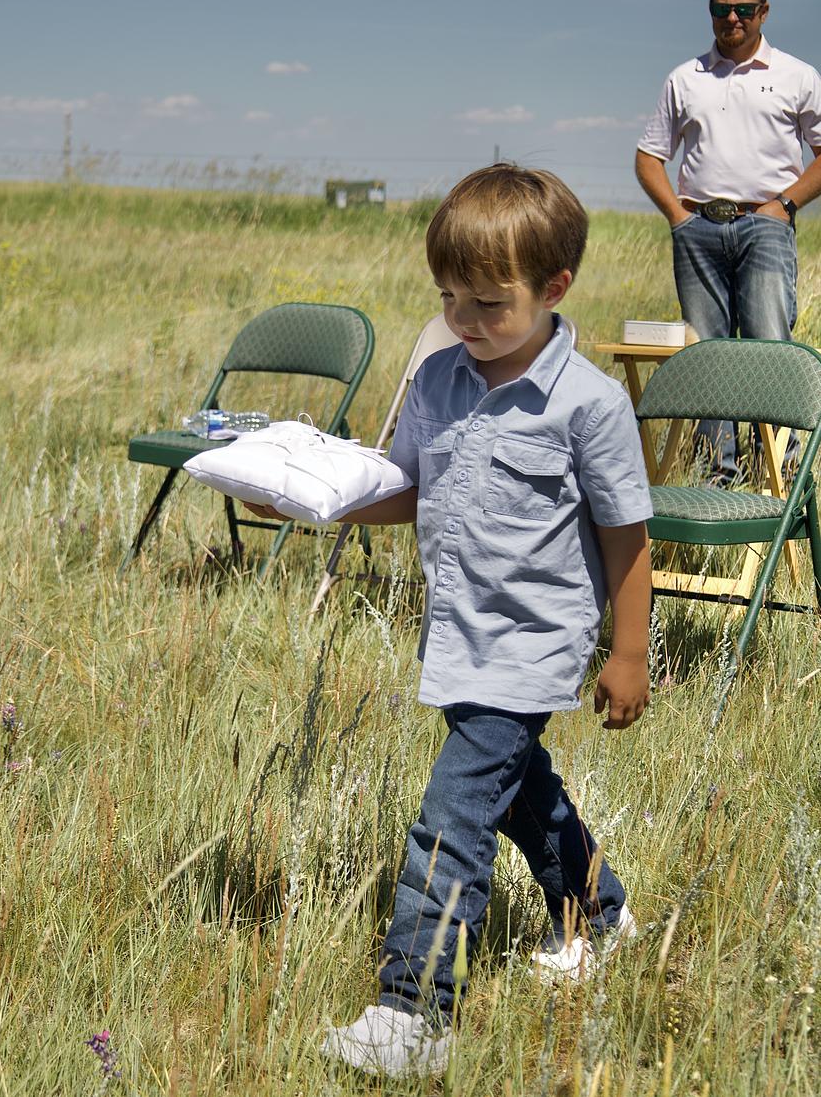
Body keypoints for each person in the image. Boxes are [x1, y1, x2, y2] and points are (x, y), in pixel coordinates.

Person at [246, 165, 653, 1079]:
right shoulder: (437, 377)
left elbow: (628, 539)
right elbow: (408, 488)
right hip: (458, 633)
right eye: (447, 298)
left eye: (489, 304)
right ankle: (601, 911)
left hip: (533, 644)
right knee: (518, 793)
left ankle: (415, 1012)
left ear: (555, 288)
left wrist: (629, 653)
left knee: (452, 817)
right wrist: (309, 502)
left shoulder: (590, 405)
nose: (463, 320)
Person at [636, 0, 821, 481]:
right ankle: (717, 471)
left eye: (743, 9)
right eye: (722, 8)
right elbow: (649, 157)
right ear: (710, 11)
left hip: (765, 225)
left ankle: (776, 471)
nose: (732, 18)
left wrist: (784, 207)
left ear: (764, 12)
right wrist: (678, 217)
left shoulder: (798, 76)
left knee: (768, 345)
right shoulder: (685, 79)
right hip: (697, 229)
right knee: (707, 352)